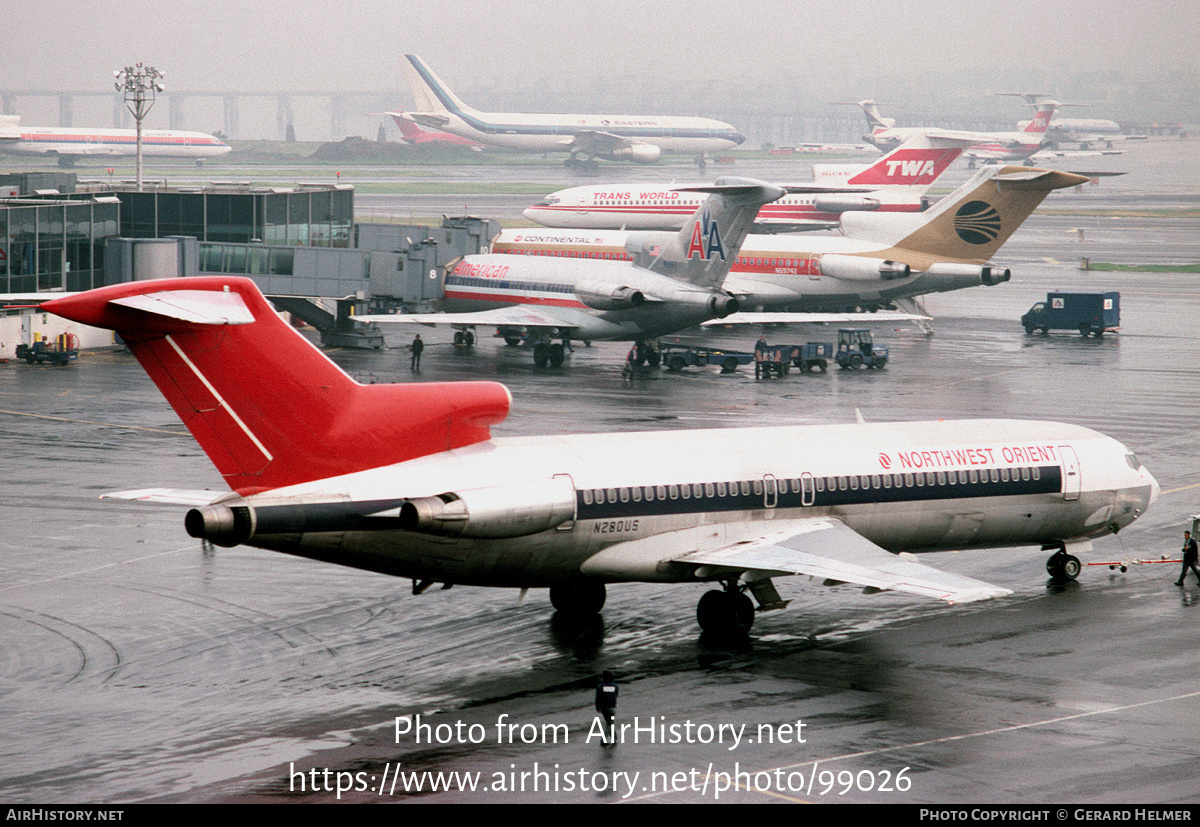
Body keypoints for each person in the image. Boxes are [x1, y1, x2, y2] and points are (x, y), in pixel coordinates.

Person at [595, 670, 618, 743]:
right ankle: (604, 740)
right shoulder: (615, 686)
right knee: (610, 723)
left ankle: (614, 737)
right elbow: (615, 695)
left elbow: (598, 698)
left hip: (603, 707)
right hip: (611, 707)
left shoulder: (600, 686)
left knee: (609, 722)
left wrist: (597, 707)